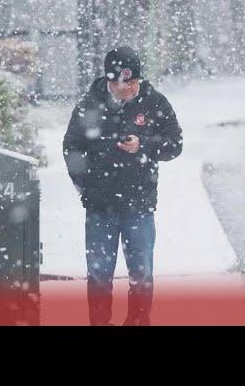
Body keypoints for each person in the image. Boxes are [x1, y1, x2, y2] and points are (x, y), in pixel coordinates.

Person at [62, 46, 183, 326]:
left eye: (132, 81)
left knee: (141, 275)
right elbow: (72, 148)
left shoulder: (154, 103)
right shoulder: (89, 105)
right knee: (99, 277)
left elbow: (174, 145)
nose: (127, 88)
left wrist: (144, 146)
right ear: (109, 81)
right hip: (100, 207)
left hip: (139, 205)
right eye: (120, 82)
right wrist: (86, 186)